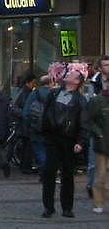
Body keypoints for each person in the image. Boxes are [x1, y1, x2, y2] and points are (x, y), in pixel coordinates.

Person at [41, 68, 89, 218]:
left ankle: (67, 207)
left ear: (77, 81)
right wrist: (45, 130)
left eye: (71, 74)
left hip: (69, 139)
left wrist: (81, 141)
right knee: (49, 172)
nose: (67, 74)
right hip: (52, 138)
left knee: (67, 174)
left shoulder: (80, 100)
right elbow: (46, 112)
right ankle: (48, 207)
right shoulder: (54, 93)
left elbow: (84, 122)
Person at [23, 74, 52, 179]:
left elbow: (26, 113)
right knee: (49, 151)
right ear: (50, 83)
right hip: (51, 129)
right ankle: (47, 173)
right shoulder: (55, 94)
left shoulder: (34, 94)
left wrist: (31, 124)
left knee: (39, 151)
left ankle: (45, 172)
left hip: (36, 128)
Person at [88, 80, 109, 213]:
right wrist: (98, 133)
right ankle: (98, 203)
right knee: (101, 176)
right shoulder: (97, 101)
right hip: (102, 144)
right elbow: (90, 119)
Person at [11, 72, 36, 172]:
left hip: (24, 123)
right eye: (33, 82)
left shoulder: (24, 92)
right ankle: (26, 166)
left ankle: (24, 165)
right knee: (27, 146)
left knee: (26, 145)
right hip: (26, 124)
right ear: (28, 83)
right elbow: (19, 107)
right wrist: (25, 114)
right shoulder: (26, 93)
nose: (34, 85)